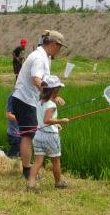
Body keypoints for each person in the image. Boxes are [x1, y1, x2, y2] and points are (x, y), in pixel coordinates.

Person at [12, 30, 67, 179]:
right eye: (60, 47)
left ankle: (29, 168)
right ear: (54, 44)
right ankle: (27, 170)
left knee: (29, 134)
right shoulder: (39, 58)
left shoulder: (44, 56)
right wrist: (51, 96)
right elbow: (37, 79)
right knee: (28, 136)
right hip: (24, 100)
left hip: (26, 100)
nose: (59, 50)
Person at [28, 75, 70, 190]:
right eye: (58, 89)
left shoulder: (40, 101)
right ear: (54, 90)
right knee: (55, 161)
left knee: (37, 162)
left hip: (38, 135)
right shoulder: (52, 105)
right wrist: (61, 121)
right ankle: (58, 182)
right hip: (50, 137)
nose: (59, 91)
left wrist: (56, 124)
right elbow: (47, 120)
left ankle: (30, 184)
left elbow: (43, 120)